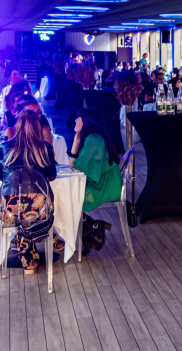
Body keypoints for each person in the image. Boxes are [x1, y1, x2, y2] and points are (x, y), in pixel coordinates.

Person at [0, 110, 58, 274]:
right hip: (38, 210)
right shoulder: (44, 147)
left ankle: (25, 245)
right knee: (31, 211)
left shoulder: (4, 147)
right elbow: (52, 175)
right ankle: (42, 237)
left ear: (17, 126)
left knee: (20, 214)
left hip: (7, 210)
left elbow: (1, 177)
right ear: (37, 126)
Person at [68, 108, 122, 254]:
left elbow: (77, 169)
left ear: (86, 122)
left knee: (66, 197)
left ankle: (93, 230)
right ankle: (93, 230)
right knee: (67, 196)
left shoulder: (94, 139)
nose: (75, 120)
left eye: (78, 118)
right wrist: (76, 138)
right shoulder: (92, 137)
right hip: (105, 183)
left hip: (105, 187)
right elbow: (73, 165)